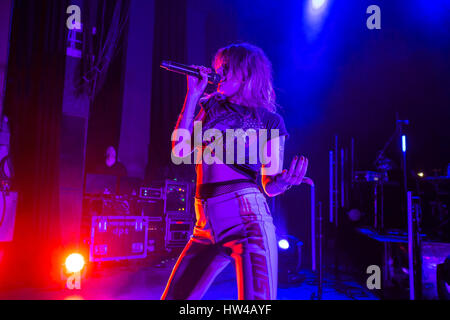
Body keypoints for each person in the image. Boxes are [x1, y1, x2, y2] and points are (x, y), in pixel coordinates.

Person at [161, 43, 308, 300]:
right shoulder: (211, 107)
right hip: (205, 227)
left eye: (228, 67)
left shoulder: (269, 120)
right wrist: (192, 96)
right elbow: (180, 151)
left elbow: (269, 186)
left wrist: (284, 182)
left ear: (248, 74)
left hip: (247, 221)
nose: (220, 72)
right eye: (220, 67)